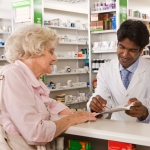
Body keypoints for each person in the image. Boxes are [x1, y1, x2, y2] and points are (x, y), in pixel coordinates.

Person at [0, 24, 96, 150]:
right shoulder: (13, 74)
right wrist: (72, 119)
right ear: (34, 50)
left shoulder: (29, 77)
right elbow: (35, 133)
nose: (55, 58)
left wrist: (73, 113)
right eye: (51, 52)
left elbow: (45, 103)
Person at [87, 20, 150, 123]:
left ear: (141, 50)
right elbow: (102, 103)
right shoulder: (106, 69)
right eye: (121, 47)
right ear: (117, 43)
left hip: (145, 134)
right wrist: (96, 106)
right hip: (117, 131)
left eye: (132, 50)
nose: (125, 55)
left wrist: (145, 113)